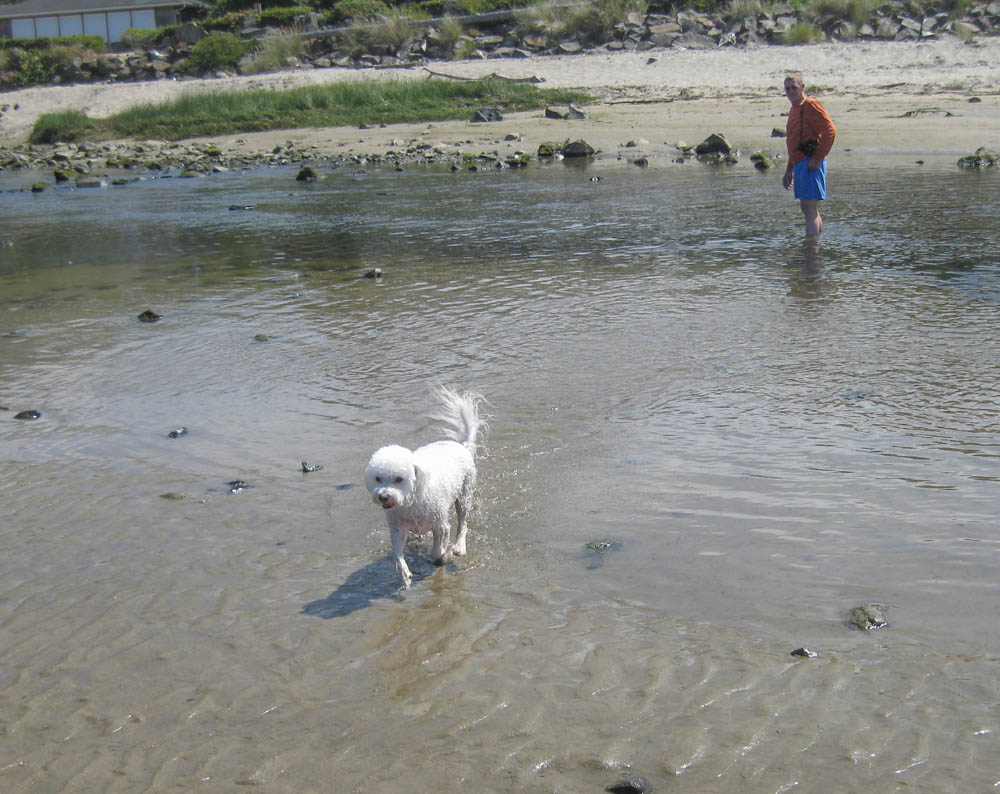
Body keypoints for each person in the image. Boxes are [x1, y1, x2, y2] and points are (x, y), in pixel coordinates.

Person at [782, 73, 837, 239]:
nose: (791, 91)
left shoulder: (811, 105)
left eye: (794, 87)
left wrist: (817, 158)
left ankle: (810, 252)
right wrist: (789, 170)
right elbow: (794, 142)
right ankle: (815, 247)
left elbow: (830, 131)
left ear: (802, 87)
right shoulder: (794, 109)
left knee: (809, 207)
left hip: (811, 162)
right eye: (787, 88)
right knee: (808, 208)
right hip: (799, 163)